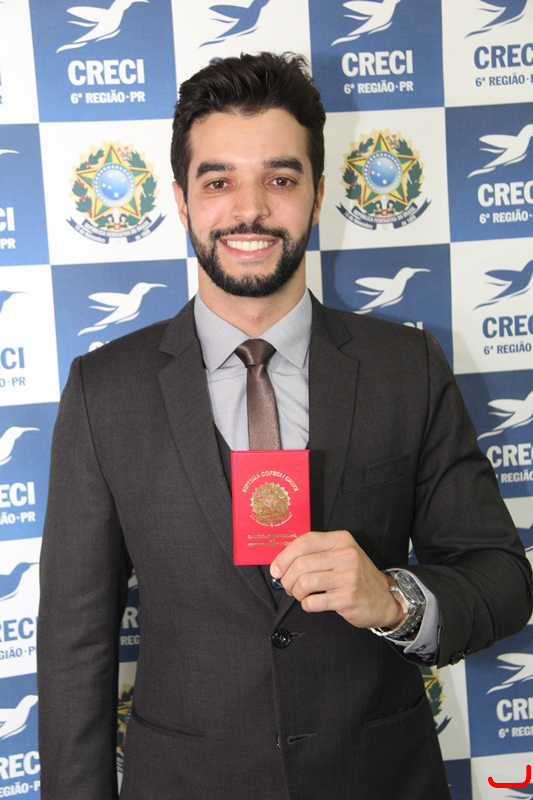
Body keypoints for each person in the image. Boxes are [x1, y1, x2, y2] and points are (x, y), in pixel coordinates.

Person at [37, 52, 532, 800]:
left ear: (318, 193)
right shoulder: (104, 391)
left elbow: (501, 580)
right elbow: (74, 645)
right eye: (218, 182)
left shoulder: (408, 367)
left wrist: (394, 599)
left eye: (279, 179)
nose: (250, 210)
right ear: (181, 201)